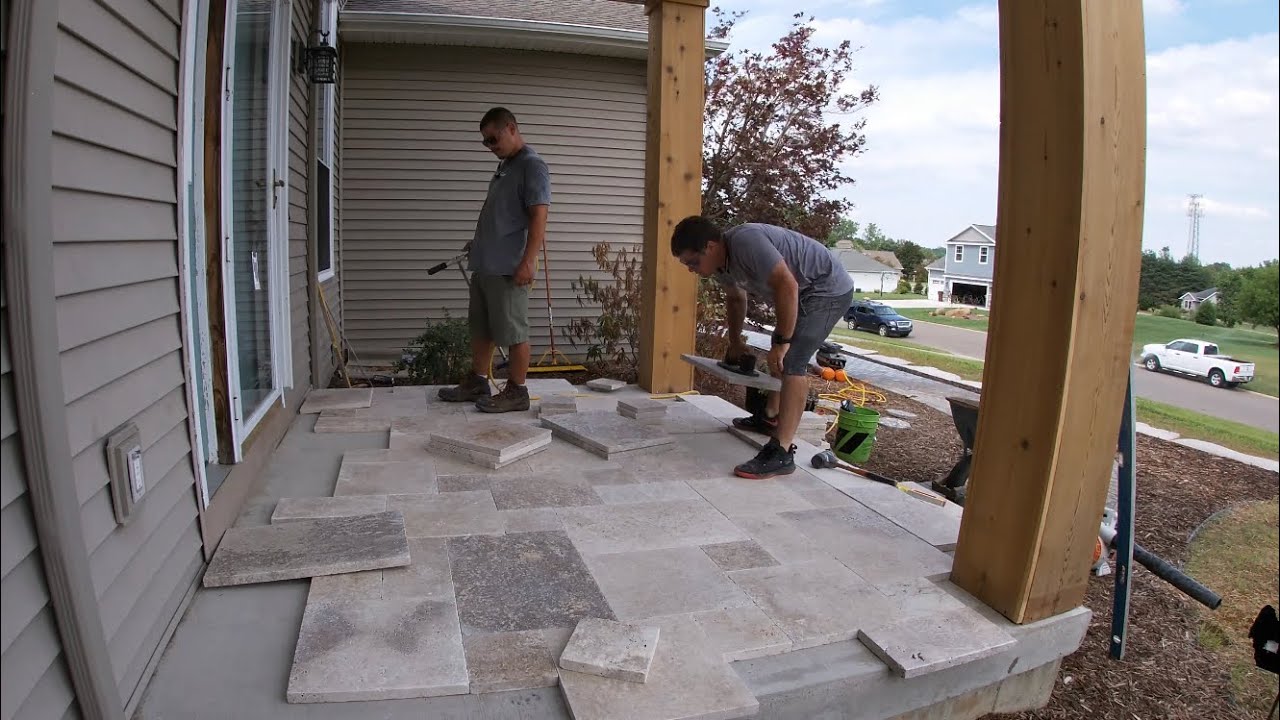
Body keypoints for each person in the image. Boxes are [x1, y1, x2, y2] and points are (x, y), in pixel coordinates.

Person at [671, 216, 854, 479]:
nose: (691, 269)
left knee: (792, 360)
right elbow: (736, 299)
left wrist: (782, 342)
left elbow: (787, 284)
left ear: (710, 247)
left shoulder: (746, 241)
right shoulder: (721, 265)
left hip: (827, 289)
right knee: (780, 354)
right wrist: (735, 342)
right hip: (801, 291)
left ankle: (781, 452)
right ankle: (770, 416)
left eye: (693, 262)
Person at [438, 107, 551, 412]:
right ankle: (477, 381)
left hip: (508, 268)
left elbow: (539, 216)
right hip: (485, 263)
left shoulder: (532, 165)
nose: (490, 146)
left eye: (493, 138)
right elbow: (503, 215)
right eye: (485, 141)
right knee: (481, 329)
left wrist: (528, 261)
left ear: (511, 128)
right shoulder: (505, 167)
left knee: (514, 332)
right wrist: (480, 243)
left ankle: (517, 391)